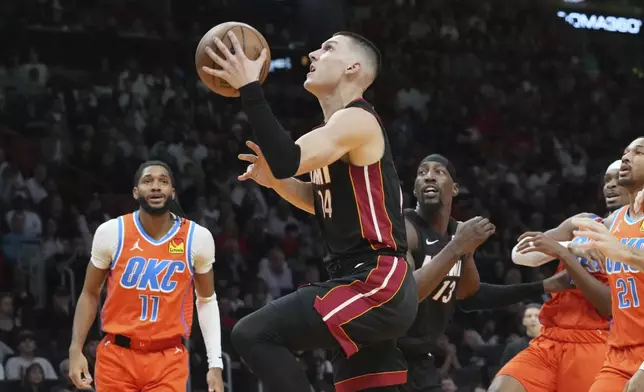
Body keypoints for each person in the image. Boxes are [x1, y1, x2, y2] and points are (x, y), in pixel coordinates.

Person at [202, 32, 418, 391]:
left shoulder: (357, 121)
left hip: (375, 281)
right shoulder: (332, 132)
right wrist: (276, 184)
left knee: (254, 333)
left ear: (353, 67)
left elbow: (287, 159)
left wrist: (249, 88)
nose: (314, 53)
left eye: (328, 48)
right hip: (364, 281)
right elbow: (318, 201)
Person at [399, 155, 571, 392]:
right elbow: (404, 296)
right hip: (384, 356)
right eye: (422, 172)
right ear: (415, 188)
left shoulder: (457, 233)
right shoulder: (404, 226)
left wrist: (543, 285)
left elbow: (470, 295)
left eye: (439, 171)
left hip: (420, 360)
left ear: (455, 188)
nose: (429, 176)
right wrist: (457, 247)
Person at [67, 161, 224, 392]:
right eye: (148, 181)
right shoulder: (112, 232)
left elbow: (206, 300)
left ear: (173, 192)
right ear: (135, 192)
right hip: (117, 356)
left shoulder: (197, 238)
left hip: (168, 358)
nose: (156, 186)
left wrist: (215, 364)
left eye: (163, 181)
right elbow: (90, 293)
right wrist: (75, 349)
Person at [489, 160, 628, 392]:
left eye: (617, 180)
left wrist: (564, 253)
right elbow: (520, 254)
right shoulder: (583, 221)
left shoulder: (632, 238)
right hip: (550, 337)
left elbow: (608, 306)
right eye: (606, 180)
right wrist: (572, 245)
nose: (610, 186)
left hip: (595, 341)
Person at [572, 138, 644, 392]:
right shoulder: (613, 222)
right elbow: (523, 257)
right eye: (625, 152)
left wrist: (622, 252)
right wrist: (569, 246)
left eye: (638, 152)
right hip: (619, 353)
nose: (626, 157)